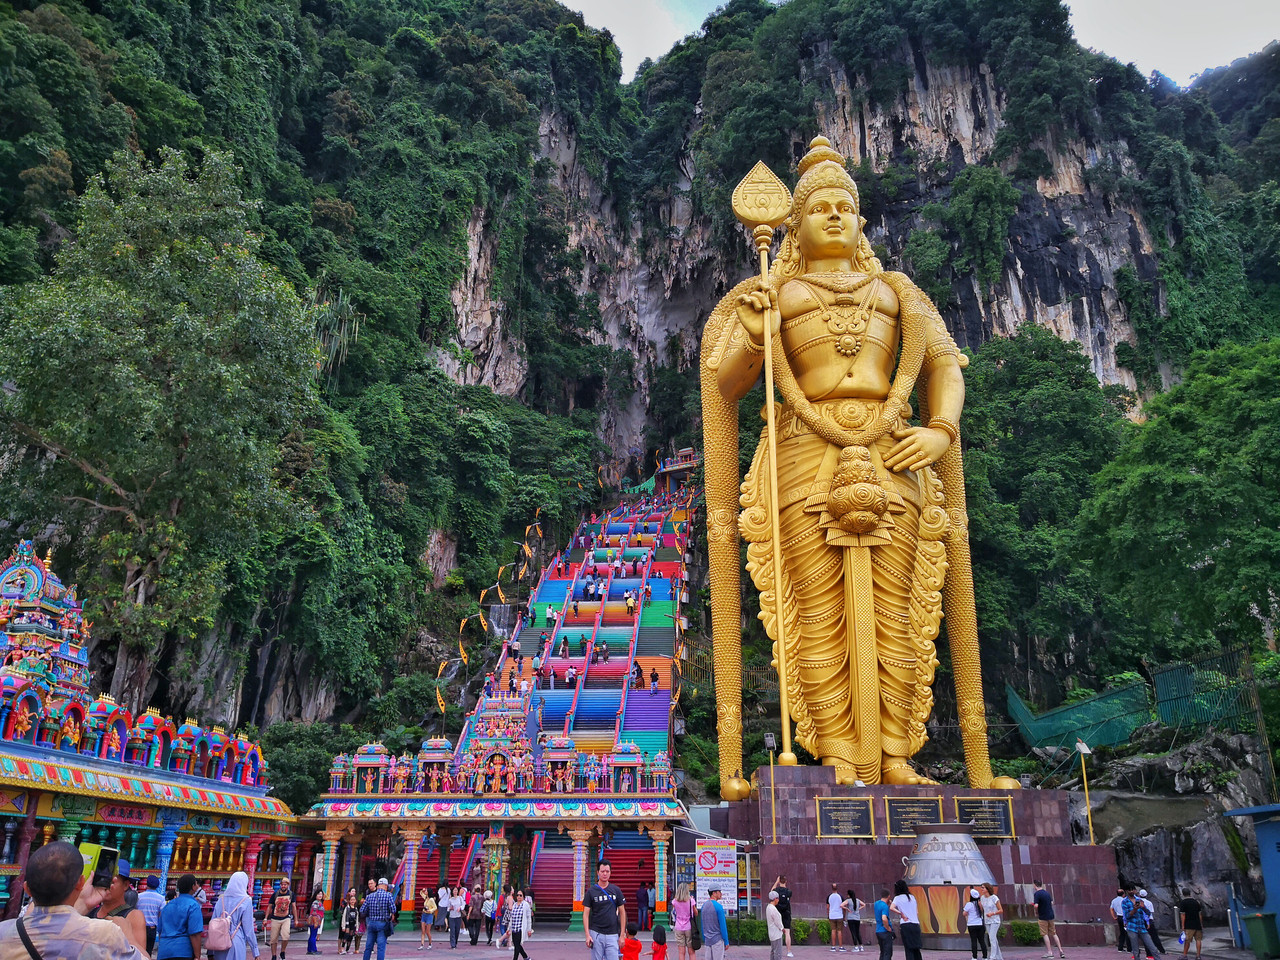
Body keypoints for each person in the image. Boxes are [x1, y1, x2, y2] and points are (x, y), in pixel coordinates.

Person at [702, 135, 994, 788]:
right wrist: (753, 333)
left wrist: (942, 428)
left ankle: (894, 753)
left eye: (844, 205)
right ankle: (836, 752)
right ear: (796, 225)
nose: (834, 214)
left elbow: (943, 365)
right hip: (805, 455)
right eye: (819, 206)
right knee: (816, 611)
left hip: (896, 452)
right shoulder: (778, 294)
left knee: (899, 611)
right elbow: (726, 383)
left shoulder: (898, 292)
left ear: (860, 221)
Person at [0, 840, 145, 960]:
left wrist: (83, 905)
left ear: (27, 889)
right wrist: (130, 939)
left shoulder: (4, 932)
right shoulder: (105, 934)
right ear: (81, 883)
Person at [95, 859, 147, 954]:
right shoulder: (90, 910)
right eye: (103, 880)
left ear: (126, 885)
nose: (105, 885)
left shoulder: (133, 916)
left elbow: (140, 955)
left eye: (111, 882)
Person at [208, 871, 258, 960]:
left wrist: (210, 951)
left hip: (219, 941)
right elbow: (248, 929)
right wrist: (255, 952)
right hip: (235, 941)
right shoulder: (246, 901)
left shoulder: (221, 899)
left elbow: (213, 925)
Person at [584, 858, 627, 960]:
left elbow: (622, 912)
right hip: (596, 933)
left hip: (612, 934)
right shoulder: (591, 891)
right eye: (602, 871)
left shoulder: (616, 890)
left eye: (607, 871)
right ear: (598, 872)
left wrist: (622, 934)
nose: (605, 874)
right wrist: (587, 935)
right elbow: (585, 914)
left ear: (610, 873)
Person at [155, 873, 203, 960]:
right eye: (196, 883)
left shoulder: (168, 906)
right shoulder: (193, 905)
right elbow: (195, 933)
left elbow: (161, 931)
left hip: (164, 951)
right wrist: (197, 955)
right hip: (183, 952)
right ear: (193, 887)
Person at [360, 878, 396, 960]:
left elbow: (362, 910)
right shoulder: (388, 896)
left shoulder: (369, 896)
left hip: (371, 923)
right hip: (382, 924)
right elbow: (393, 910)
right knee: (381, 947)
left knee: (368, 946)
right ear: (385, 886)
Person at [1123, 888, 1163, 960]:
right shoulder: (1125, 901)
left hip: (1142, 926)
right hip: (1132, 927)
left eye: (1133, 889)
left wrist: (1143, 907)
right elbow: (1127, 916)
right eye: (1129, 890)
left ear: (1135, 891)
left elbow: (1148, 913)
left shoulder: (1140, 900)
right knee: (1135, 950)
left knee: (1152, 947)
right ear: (1127, 891)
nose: (1131, 891)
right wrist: (1135, 909)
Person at [1033, 880, 1064, 960]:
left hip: (1043, 916)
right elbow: (1052, 902)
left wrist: (1036, 911)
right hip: (1050, 915)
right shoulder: (1047, 893)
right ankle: (1061, 951)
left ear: (1035, 885)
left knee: (1044, 934)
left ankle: (1050, 952)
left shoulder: (1037, 894)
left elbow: (1036, 905)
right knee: (1054, 933)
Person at [891, 880, 922, 960]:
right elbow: (917, 912)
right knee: (916, 949)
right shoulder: (912, 897)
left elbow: (892, 907)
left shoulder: (897, 898)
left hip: (906, 924)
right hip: (915, 924)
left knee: (909, 949)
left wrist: (901, 913)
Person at [137, 875, 166, 954]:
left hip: (139, 927)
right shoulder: (161, 898)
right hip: (152, 928)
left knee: (138, 951)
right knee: (148, 951)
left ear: (147, 884)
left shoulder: (139, 897)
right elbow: (162, 914)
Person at [700, 888, 729, 960]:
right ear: (714, 893)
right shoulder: (719, 907)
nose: (721, 894)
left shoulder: (704, 906)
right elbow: (723, 926)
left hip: (707, 939)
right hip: (717, 939)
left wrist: (704, 938)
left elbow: (703, 924)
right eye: (719, 892)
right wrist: (726, 941)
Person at [270, 877, 294, 960]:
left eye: (285, 884)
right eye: (282, 884)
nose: (283, 886)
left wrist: (296, 919)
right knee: (273, 939)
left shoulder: (291, 894)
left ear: (288, 885)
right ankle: (273, 955)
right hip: (275, 918)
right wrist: (265, 918)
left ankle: (282, 951)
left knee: (286, 936)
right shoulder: (275, 894)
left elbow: (294, 906)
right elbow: (269, 906)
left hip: (286, 918)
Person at [670, 882, 696, 960]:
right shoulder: (691, 900)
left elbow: (674, 911)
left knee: (681, 952)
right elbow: (695, 913)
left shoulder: (674, 901)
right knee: (691, 952)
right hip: (688, 927)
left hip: (678, 927)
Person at [772, 876, 794, 958]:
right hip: (787, 913)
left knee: (778, 933)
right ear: (786, 881)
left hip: (778, 913)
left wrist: (776, 882)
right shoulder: (789, 892)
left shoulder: (776, 891)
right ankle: (789, 951)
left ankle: (776, 950)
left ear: (779, 881)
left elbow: (771, 893)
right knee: (787, 933)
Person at [505, 890, 531, 960]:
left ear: (523, 896)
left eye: (520, 895)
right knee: (517, 945)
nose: (519, 897)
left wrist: (529, 929)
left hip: (520, 928)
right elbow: (511, 918)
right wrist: (509, 928)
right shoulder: (514, 905)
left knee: (517, 946)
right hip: (514, 928)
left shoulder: (525, 905)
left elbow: (528, 918)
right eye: (517, 895)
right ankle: (525, 957)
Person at [963, 888, 987, 960]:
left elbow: (964, 913)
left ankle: (974, 957)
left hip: (971, 925)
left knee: (974, 941)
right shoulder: (980, 903)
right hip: (980, 924)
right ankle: (985, 957)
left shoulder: (969, 904)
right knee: (982, 941)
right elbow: (983, 911)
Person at [1178, 889, 1203, 958]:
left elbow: (1183, 915)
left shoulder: (1183, 902)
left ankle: (1184, 955)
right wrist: (1200, 923)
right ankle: (1198, 955)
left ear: (1183, 894)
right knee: (1198, 940)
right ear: (1190, 893)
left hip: (1189, 924)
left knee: (1187, 940)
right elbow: (1200, 914)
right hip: (1197, 924)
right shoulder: (1196, 902)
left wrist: (1183, 925)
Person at [981, 883, 1003, 960]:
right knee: (993, 939)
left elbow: (1001, 910)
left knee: (992, 938)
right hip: (987, 921)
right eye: (982, 888)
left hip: (995, 920)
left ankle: (992, 956)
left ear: (987, 889)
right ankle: (999, 956)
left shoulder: (994, 898)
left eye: (983, 887)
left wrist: (993, 913)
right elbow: (982, 908)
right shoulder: (982, 898)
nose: (982, 889)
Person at [1140, 890, 1166, 954]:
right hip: (1149, 920)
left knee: (1144, 936)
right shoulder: (1149, 903)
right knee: (1154, 936)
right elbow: (1150, 912)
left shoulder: (1137, 902)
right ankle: (1161, 950)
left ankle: (1148, 953)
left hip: (1141, 921)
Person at [1111, 888, 1132, 954]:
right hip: (1125, 917)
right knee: (1128, 932)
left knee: (1122, 932)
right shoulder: (1125, 900)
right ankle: (1129, 949)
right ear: (1123, 894)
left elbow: (1111, 909)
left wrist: (1114, 916)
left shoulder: (1114, 900)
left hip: (1119, 917)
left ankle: (1120, 947)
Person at [875, 889, 894, 960]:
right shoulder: (884, 906)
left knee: (882, 952)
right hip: (885, 931)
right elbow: (884, 918)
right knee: (888, 953)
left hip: (878, 930)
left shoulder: (876, 903)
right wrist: (888, 927)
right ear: (889, 896)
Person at [340, 890, 361, 955]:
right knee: (346, 935)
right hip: (347, 924)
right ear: (349, 901)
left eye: (354, 900)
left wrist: (357, 927)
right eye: (351, 900)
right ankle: (342, 948)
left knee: (351, 937)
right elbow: (344, 917)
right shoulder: (347, 908)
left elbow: (357, 919)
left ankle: (347, 949)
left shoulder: (356, 909)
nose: (352, 901)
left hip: (353, 924)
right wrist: (343, 926)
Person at [845, 889, 866, 953]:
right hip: (857, 918)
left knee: (853, 932)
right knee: (857, 932)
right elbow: (864, 904)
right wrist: (859, 908)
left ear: (849, 895)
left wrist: (847, 909)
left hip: (851, 918)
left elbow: (841, 905)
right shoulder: (858, 900)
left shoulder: (848, 900)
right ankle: (861, 946)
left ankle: (856, 946)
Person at [767, 890, 786, 960]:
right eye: (778, 898)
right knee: (778, 952)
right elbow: (777, 921)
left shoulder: (768, 907)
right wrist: (782, 928)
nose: (778, 900)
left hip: (771, 934)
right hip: (776, 934)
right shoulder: (773, 909)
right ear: (775, 899)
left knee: (773, 951)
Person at [830, 882, 848, 952]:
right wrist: (844, 915)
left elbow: (827, 907)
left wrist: (828, 915)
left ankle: (833, 947)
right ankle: (840, 946)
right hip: (839, 915)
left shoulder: (829, 896)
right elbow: (843, 906)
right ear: (837, 888)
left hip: (832, 915)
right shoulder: (840, 896)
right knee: (839, 931)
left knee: (833, 930)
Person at [307, 885, 324, 955]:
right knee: (313, 936)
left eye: (321, 894)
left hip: (316, 921)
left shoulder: (319, 903)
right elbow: (314, 913)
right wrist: (316, 922)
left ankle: (310, 949)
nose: (320, 895)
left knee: (312, 935)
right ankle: (313, 950)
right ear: (316, 895)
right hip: (315, 921)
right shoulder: (316, 903)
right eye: (318, 894)